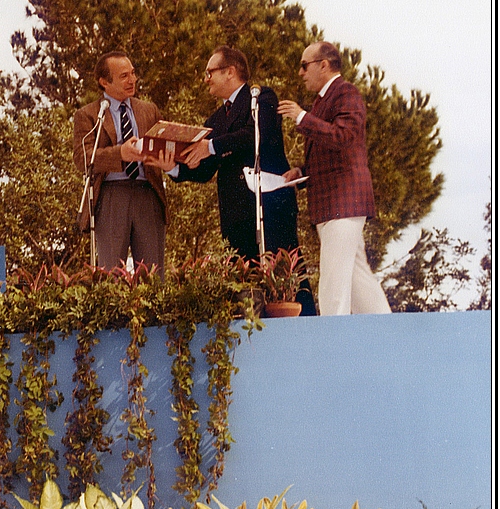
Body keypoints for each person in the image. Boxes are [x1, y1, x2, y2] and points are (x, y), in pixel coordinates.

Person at [174, 45, 317, 314]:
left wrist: (211, 146)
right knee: (246, 285)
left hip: (271, 209)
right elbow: (204, 169)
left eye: (209, 72)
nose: (206, 79)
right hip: (236, 215)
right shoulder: (215, 120)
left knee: (287, 283)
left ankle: (309, 334)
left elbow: (254, 133)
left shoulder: (262, 98)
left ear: (230, 72)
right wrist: (171, 167)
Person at [278, 42, 391, 316]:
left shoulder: (346, 92)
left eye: (304, 65)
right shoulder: (324, 101)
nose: (300, 72)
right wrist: (302, 173)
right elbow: (331, 151)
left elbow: (343, 137)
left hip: (343, 202)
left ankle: (331, 343)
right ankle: (388, 332)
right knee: (356, 278)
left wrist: (302, 116)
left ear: (324, 65)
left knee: (333, 283)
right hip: (335, 204)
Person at [73, 51, 170, 272]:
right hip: (111, 196)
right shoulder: (88, 115)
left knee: (153, 275)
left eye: (133, 74)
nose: (132, 80)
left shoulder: (149, 110)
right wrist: (120, 154)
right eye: (124, 76)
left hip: (148, 193)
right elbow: (82, 157)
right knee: (111, 274)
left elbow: (163, 145)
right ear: (104, 82)